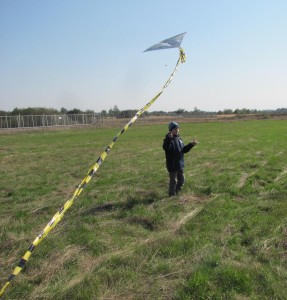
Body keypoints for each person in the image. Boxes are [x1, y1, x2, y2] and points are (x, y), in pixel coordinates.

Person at [162, 121, 198, 197]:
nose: (177, 130)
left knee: (181, 181)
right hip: (172, 165)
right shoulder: (168, 140)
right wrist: (168, 139)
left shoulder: (179, 139)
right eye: (174, 129)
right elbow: (166, 148)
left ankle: (177, 192)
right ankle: (171, 195)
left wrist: (191, 144)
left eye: (178, 128)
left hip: (180, 164)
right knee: (173, 182)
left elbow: (184, 150)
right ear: (170, 130)